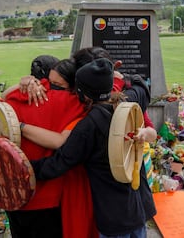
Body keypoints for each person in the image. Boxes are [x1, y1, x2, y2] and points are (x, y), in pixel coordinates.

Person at [30, 58, 157, 237]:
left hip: (113, 217)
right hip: (137, 209)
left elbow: (59, 163)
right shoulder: (125, 103)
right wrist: (123, 76)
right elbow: (142, 87)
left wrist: (25, 166)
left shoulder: (88, 126)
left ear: (83, 94)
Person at [4, 56, 87, 238]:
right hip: (47, 195)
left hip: (13, 189)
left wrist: (25, 83)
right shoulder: (76, 104)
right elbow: (59, 142)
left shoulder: (21, 93)